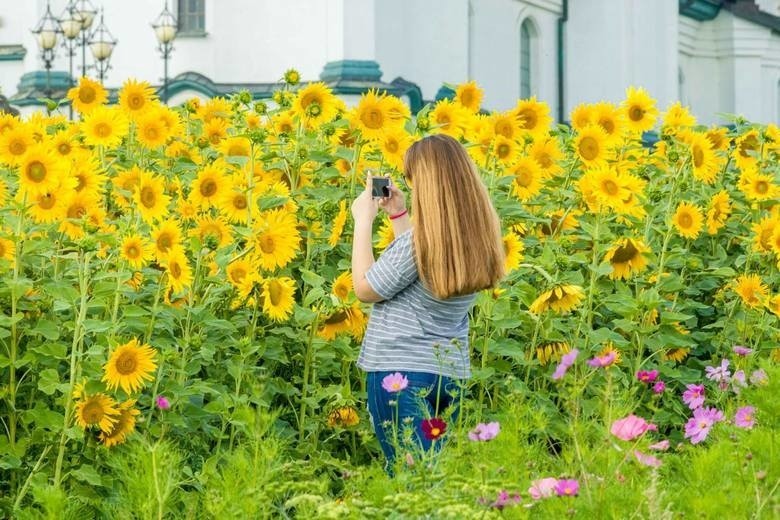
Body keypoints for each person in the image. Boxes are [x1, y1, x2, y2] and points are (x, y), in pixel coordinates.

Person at [350, 133, 505, 474]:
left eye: (414, 181)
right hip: (446, 376)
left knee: (411, 488)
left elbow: (365, 288)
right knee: (431, 481)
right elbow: (417, 274)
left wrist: (363, 221)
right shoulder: (477, 241)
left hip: (399, 376)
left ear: (429, 187)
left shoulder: (419, 245)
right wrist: (399, 216)